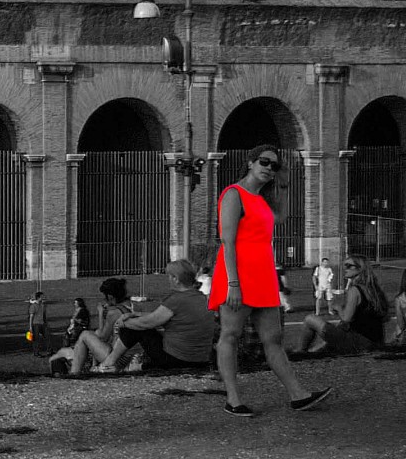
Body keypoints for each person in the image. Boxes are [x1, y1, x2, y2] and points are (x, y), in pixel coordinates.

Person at [211, 145, 332, 417]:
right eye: (264, 162)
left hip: (263, 274)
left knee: (274, 337)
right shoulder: (233, 194)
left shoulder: (261, 198)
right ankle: (233, 399)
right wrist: (233, 284)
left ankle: (298, 395)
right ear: (251, 162)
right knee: (230, 334)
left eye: (274, 165)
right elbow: (227, 242)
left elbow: (280, 218)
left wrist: (285, 186)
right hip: (238, 274)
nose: (268, 168)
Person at [109, 261, 217, 373]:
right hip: (200, 361)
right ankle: (138, 366)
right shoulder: (202, 298)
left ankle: (108, 364)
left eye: (169, 276)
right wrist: (134, 314)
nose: (168, 279)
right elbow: (163, 316)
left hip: (177, 359)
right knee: (138, 324)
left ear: (176, 279)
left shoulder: (176, 299)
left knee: (133, 329)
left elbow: (148, 323)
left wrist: (124, 323)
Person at [51, 277, 136, 375]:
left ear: (110, 296)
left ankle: (74, 373)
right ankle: (88, 367)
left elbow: (103, 336)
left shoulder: (113, 313)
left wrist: (100, 313)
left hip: (117, 358)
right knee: (91, 334)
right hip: (125, 355)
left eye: (105, 296)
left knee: (84, 335)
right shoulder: (126, 308)